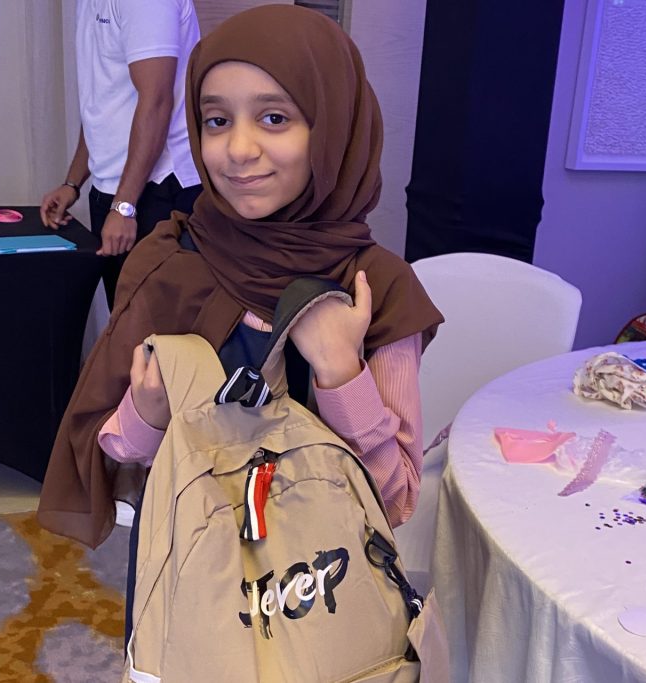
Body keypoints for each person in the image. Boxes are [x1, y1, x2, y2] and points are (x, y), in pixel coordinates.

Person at [38, 5, 444, 553]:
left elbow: (394, 499)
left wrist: (341, 373)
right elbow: (115, 451)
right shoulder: (172, 259)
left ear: (333, 129)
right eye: (217, 120)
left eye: (274, 118)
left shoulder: (375, 287)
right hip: (188, 571)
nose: (238, 150)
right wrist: (148, 414)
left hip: (316, 584)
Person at [39, 0, 203, 309]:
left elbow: (156, 101)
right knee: (126, 328)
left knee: (156, 335)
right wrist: (73, 183)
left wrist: (125, 207)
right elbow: (104, 101)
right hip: (114, 191)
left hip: (160, 191)